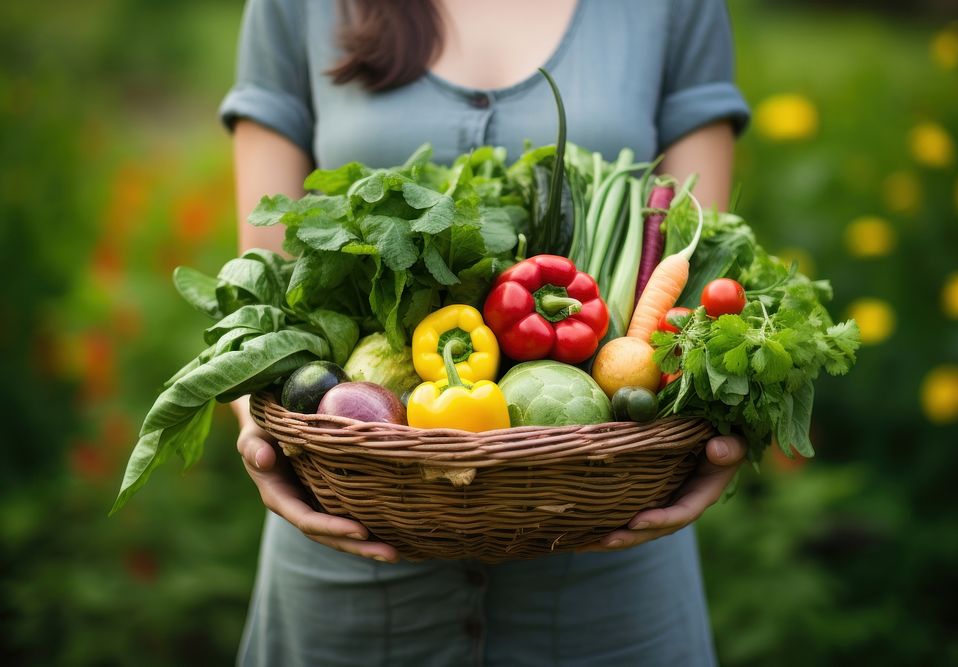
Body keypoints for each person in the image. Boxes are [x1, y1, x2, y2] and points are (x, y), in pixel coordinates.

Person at [221, 1, 750, 664]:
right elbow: (259, 277)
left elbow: (704, 264)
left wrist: (710, 430)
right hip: (350, 569)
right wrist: (255, 419)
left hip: (610, 580)